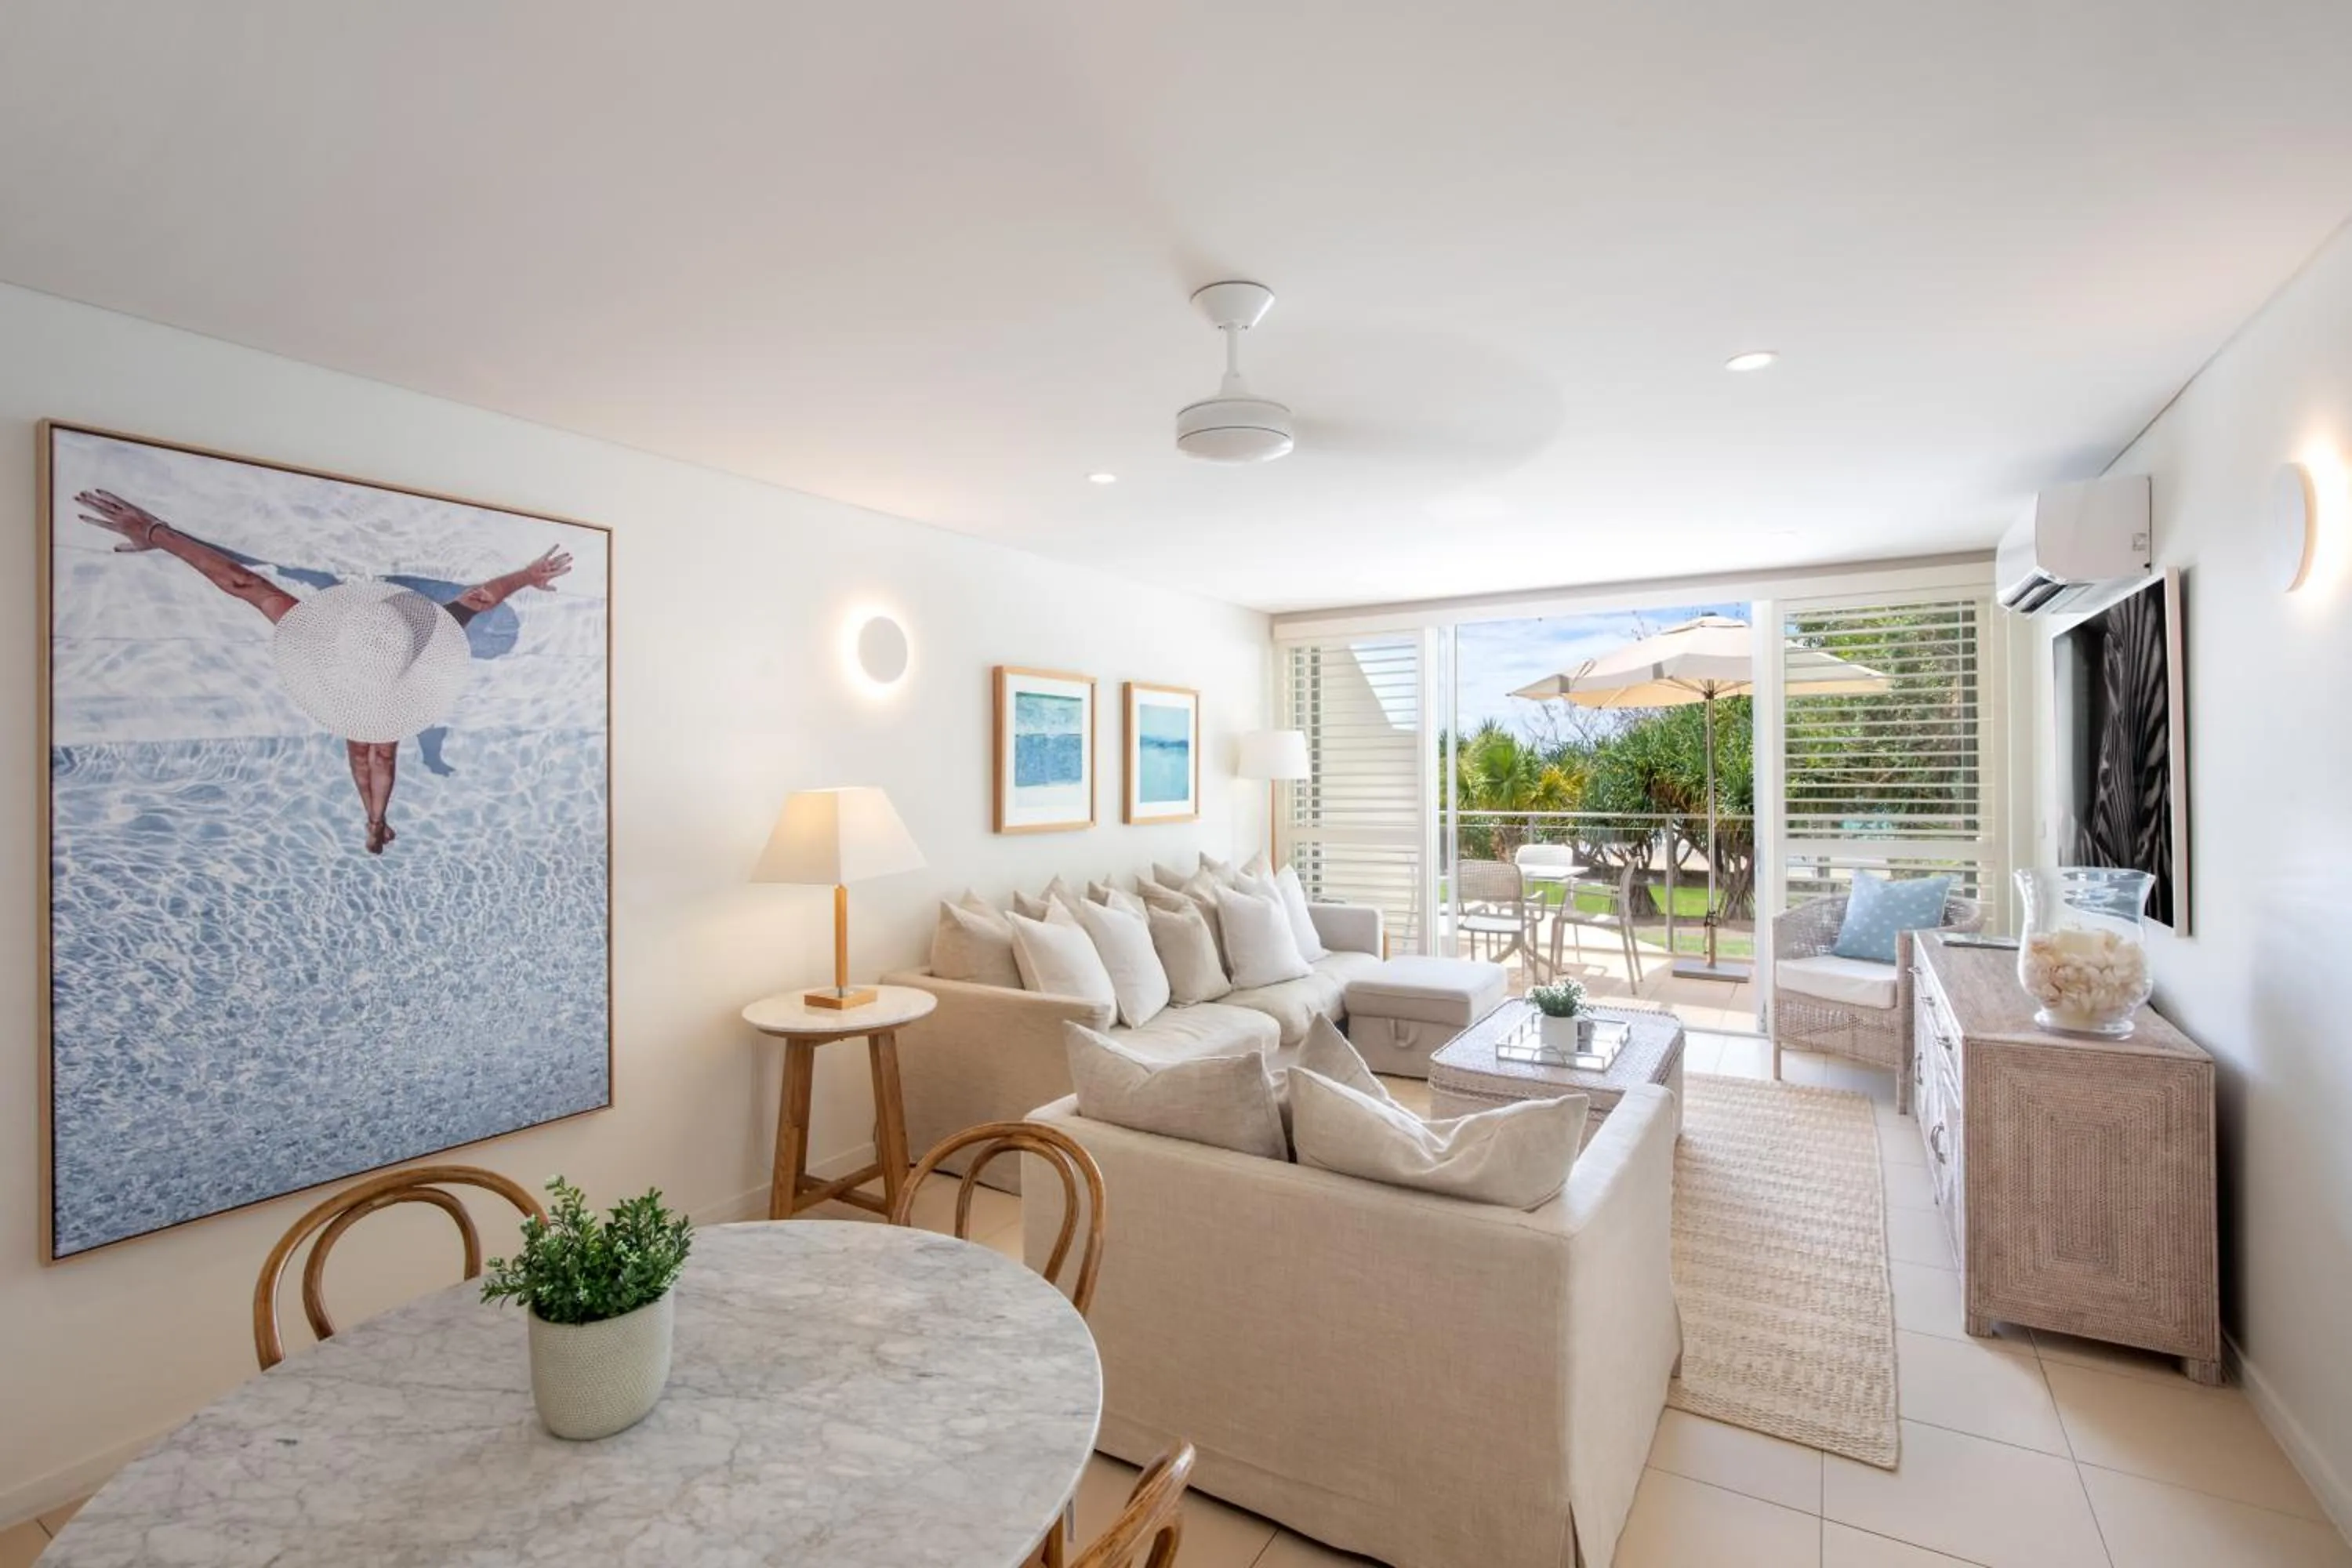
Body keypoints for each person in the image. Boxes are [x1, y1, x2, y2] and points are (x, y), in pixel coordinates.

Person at [75, 488, 572, 855]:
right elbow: (481, 599)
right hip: (397, 685)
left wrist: (157, 534)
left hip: (349, 682)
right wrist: (529, 576)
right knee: (383, 753)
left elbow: (241, 582)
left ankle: (374, 821)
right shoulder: (424, 638)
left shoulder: (314, 633)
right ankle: (377, 822)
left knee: (362, 752)